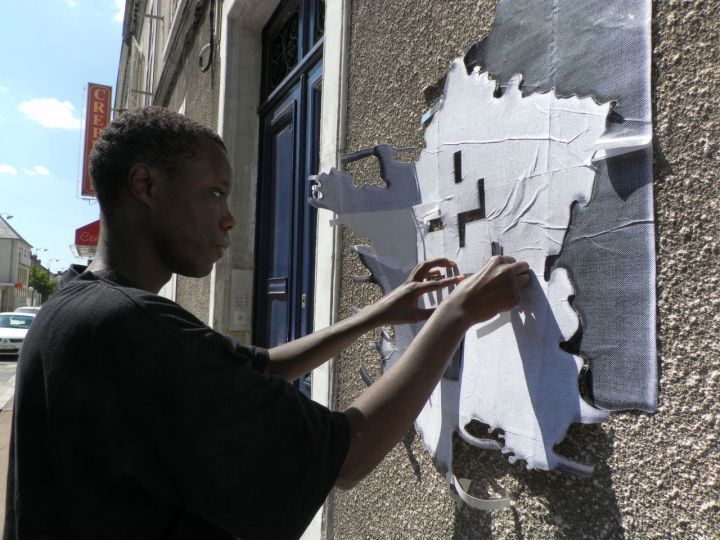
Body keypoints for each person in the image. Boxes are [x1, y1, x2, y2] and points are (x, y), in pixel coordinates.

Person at [4, 107, 530, 539]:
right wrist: (457, 314)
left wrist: (386, 311)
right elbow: (347, 453)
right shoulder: (129, 328)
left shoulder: (75, 306)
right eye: (214, 192)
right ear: (145, 184)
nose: (229, 217)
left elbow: (261, 368)